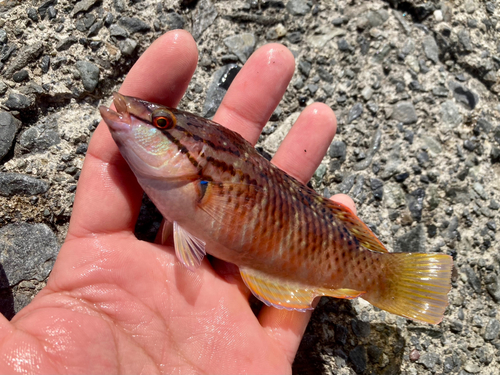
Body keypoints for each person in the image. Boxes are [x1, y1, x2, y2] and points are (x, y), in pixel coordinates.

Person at [0, 30, 356, 373]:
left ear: (198, 161)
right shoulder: (182, 182)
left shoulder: (197, 184)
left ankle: (375, 275)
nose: (132, 115)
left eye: (161, 122)